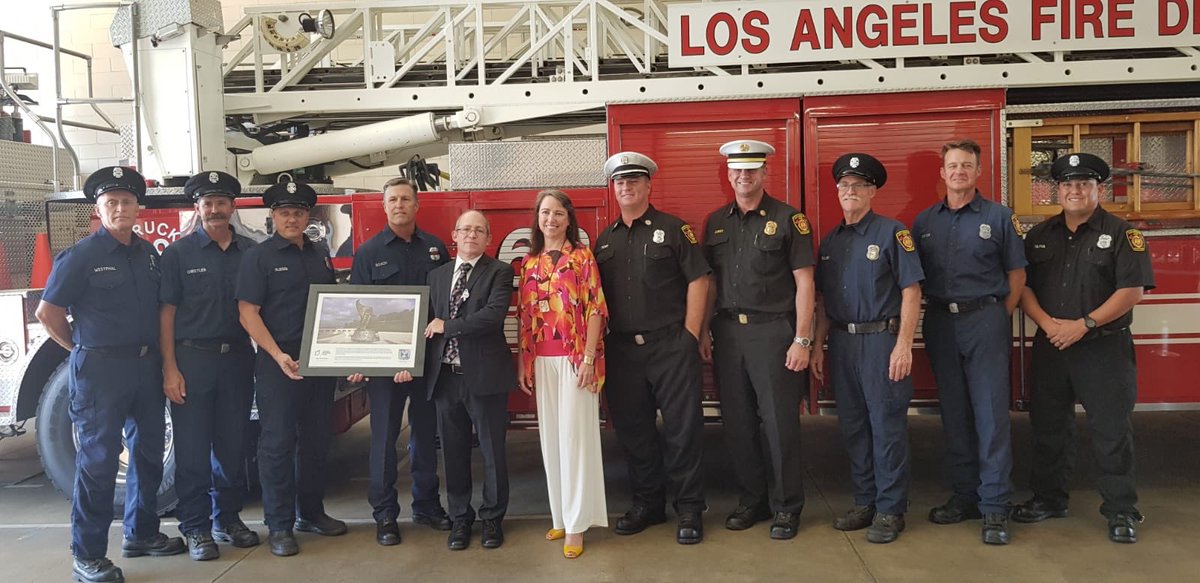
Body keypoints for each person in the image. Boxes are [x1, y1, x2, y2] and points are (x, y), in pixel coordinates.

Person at [36, 166, 185, 583]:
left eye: (127, 201)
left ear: (139, 207)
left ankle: (141, 533)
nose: (120, 208)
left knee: (149, 454)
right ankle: (87, 555)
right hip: (100, 371)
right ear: (98, 210)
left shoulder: (148, 254)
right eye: (111, 202)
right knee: (98, 464)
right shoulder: (81, 256)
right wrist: (82, 348)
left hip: (145, 365)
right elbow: (47, 314)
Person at [1013, 152, 1155, 543]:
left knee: (1111, 432)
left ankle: (1121, 510)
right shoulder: (1039, 236)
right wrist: (1046, 325)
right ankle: (1048, 499)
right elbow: (1024, 287)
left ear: (1098, 189)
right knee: (1048, 429)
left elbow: (1132, 291)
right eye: (1067, 184)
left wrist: (1084, 325)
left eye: (1083, 184)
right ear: (1057, 191)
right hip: (1052, 346)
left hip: (1103, 348)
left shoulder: (1124, 234)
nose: (1075, 190)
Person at [911, 140, 1027, 545]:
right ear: (942, 174)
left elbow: (1017, 275)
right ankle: (965, 497)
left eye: (966, 165)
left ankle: (995, 507)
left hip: (985, 321)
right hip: (941, 322)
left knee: (991, 415)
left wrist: (998, 316)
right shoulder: (923, 222)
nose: (958, 171)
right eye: (952, 166)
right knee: (955, 413)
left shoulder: (999, 217)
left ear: (978, 172)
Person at [700, 139, 814, 540]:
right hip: (728, 333)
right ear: (728, 174)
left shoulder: (789, 219)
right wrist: (702, 330)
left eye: (752, 169)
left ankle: (787, 507)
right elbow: (710, 284)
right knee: (739, 423)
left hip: (773, 333)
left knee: (779, 424)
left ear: (765, 173)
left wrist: (802, 339)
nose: (744, 176)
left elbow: (805, 283)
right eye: (737, 170)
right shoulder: (715, 222)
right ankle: (753, 501)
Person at [595, 152, 710, 545]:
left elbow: (699, 280)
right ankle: (649, 503)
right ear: (614, 189)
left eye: (633, 181)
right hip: (623, 351)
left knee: (682, 430)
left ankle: (690, 509)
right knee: (635, 431)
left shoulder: (676, 230)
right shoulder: (605, 239)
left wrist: (690, 335)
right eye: (620, 182)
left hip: (670, 347)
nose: (626, 188)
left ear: (648, 186)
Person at [811, 153, 924, 544]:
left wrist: (903, 345)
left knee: (886, 428)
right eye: (844, 186)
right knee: (855, 427)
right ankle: (865, 501)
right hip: (842, 343)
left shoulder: (893, 233)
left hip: (881, 342)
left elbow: (912, 291)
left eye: (858, 185)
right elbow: (823, 302)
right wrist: (819, 346)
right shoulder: (831, 241)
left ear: (873, 191)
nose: (850, 192)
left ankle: (891, 509)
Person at [235, 179, 346, 557]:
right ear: (274, 216)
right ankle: (280, 525)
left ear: (307, 216)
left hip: (319, 362)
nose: (292, 219)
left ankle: (311, 513)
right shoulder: (258, 257)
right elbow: (247, 313)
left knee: (316, 441)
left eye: (298, 212)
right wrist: (277, 354)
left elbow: (333, 305)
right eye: (285, 213)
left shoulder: (319, 254)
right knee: (278, 445)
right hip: (277, 364)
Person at [159, 171, 260, 561]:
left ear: (232, 207)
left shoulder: (251, 252)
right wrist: (170, 368)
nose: (215, 210)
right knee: (192, 450)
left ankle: (228, 518)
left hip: (237, 358)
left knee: (233, 446)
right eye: (208, 203)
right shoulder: (178, 254)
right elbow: (166, 314)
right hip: (192, 360)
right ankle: (197, 528)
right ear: (196, 208)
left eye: (222, 203)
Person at [345, 178, 452, 547]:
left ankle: (426, 506)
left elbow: (446, 303)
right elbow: (357, 310)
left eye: (406, 199)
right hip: (383, 365)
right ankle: (385, 514)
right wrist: (360, 360)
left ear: (416, 205)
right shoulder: (368, 253)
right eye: (393, 199)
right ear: (384, 205)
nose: (400, 205)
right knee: (384, 439)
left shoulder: (436, 248)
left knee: (425, 436)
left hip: (426, 362)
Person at [517, 189, 609, 559]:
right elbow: (526, 318)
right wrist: (523, 363)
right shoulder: (528, 263)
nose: (551, 219)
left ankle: (577, 524)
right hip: (541, 359)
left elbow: (596, 310)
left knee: (575, 440)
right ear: (537, 219)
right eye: (544, 213)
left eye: (558, 213)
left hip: (575, 361)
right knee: (552, 440)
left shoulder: (582, 258)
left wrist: (588, 359)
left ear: (569, 219)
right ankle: (560, 514)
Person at [421, 210, 517, 551]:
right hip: (445, 379)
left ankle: (492, 519)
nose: (471, 235)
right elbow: (423, 323)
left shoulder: (500, 272)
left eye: (479, 230)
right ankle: (461, 518)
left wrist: (448, 325)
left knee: (493, 452)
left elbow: (492, 317)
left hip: (485, 377)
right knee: (454, 453)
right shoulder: (437, 275)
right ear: (454, 235)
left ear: (488, 238)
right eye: (465, 229)